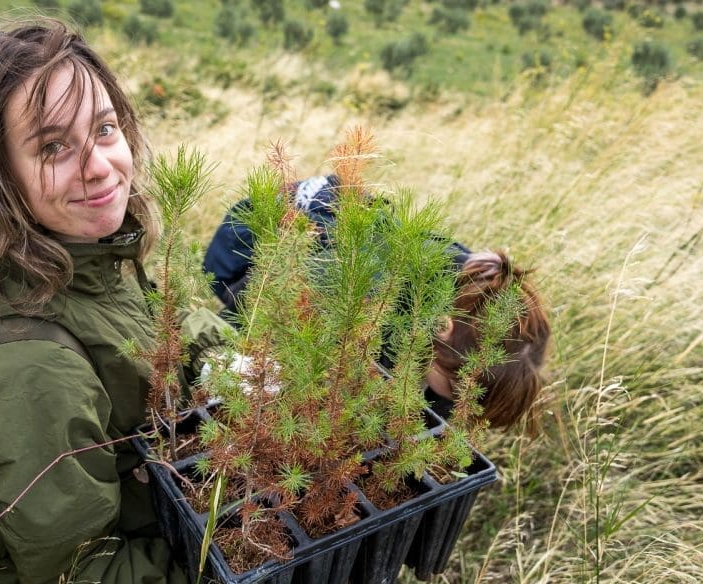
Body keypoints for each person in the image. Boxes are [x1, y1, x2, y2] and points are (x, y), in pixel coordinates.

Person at [0, 18, 231, 584]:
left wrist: (225, 361)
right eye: (53, 147)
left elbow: (146, 322)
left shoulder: (94, 257)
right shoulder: (31, 373)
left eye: (103, 128)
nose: (99, 166)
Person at [203, 174, 551, 431]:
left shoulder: (472, 298)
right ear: (441, 329)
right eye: (459, 397)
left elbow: (436, 399)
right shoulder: (352, 279)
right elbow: (258, 320)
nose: (457, 409)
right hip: (260, 249)